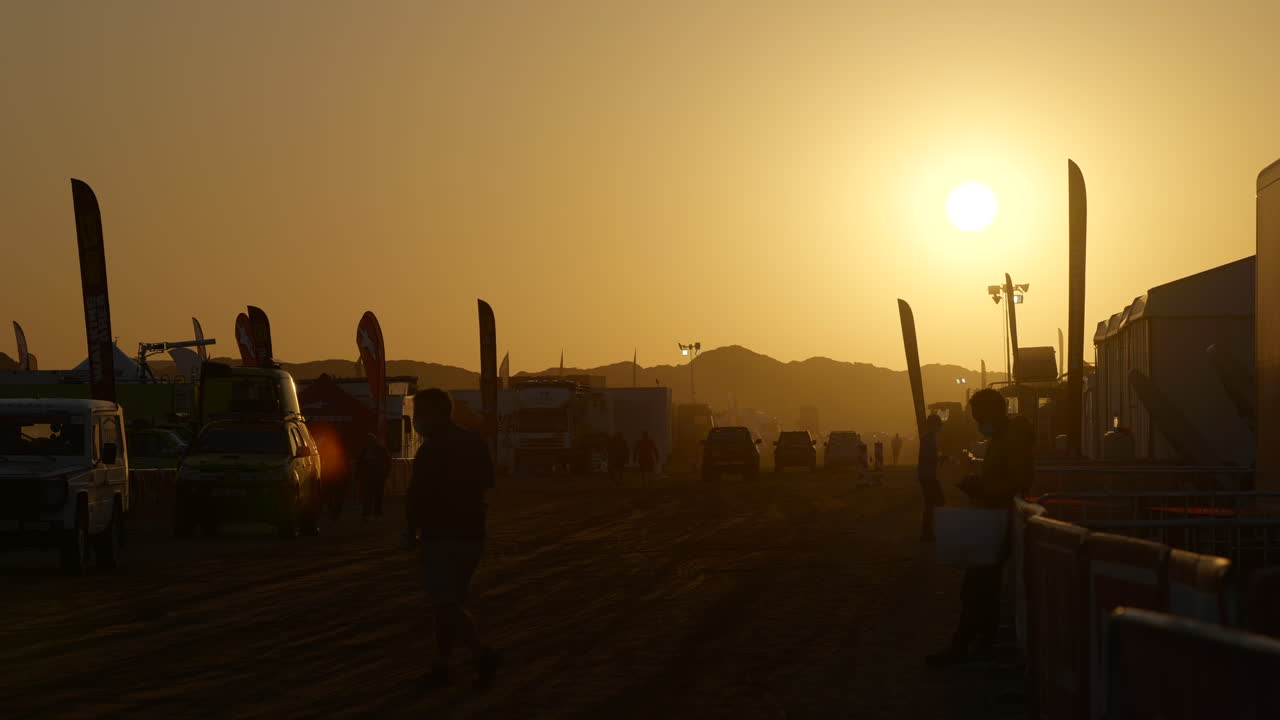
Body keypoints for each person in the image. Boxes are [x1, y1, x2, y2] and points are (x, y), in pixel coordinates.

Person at [401, 388, 501, 690]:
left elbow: (417, 496)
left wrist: (410, 530)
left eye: (418, 415)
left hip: (441, 534)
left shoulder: (430, 451)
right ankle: (441, 665)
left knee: (444, 602)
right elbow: (488, 483)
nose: (417, 421)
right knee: (449, 603)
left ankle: (481, 653)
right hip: (472, 533)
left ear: (431, 415)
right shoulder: (474, 442)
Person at [926, 389, 1034, 669]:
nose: (976, 424)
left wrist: (982, 489)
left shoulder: (1012, 438)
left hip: (998, 522)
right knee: (982, 589)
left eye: (979, 417)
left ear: (994, 412)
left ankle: (964, 647)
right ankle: (982, 645)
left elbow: (1016, 481)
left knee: (976, 589)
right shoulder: (1002, 438)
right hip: (994, 521)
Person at [917, 415, 945, 542]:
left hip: (927, 475)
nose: (939, 428)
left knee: (931, 504)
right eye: (938, 425)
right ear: (934, 425)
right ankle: (929, 532)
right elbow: (928, 457)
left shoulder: (928, 438)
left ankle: (927, 532)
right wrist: (940, 458)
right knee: (937, 502)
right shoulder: (928, 438)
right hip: (927, 476)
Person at [356, 433, 392, 520]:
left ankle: (370, 514)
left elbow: (360, 463)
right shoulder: (377, 450)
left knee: (373, 496)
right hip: (374, 477)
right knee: (374, 496)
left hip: (376, 477)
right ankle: (373, 514)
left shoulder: (369, 450)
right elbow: (388, 461)